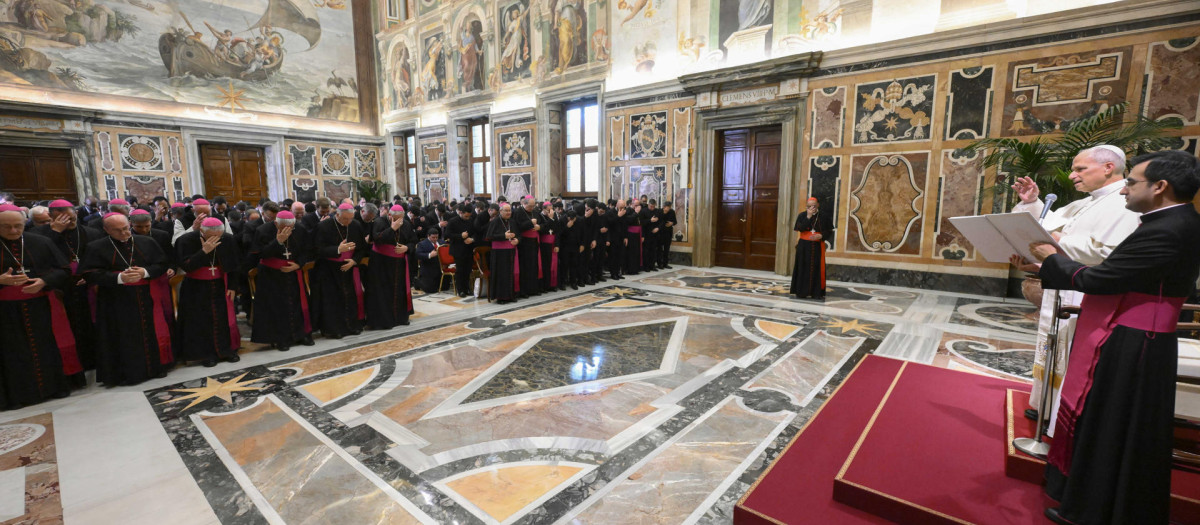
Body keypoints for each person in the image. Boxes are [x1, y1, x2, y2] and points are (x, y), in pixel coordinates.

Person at [1028, 150, 1200, 525]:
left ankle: (1096, 511)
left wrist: (1049, 260)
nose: (1124, 191)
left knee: (1113, 426)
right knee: (1110, 423)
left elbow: (1102, 278)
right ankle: (1093, 503)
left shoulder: (1168, 228)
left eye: (1132, 182)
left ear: (1160, 187)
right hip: (1136, 335)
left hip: (1136, 341)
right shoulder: (1172, 221)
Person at [1009, 145, 1140, 423]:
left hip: (1088, 294)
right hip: (1066, 286)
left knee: (1073, 356)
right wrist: (1033, 202)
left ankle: (1063, 414)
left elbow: (1110, 253)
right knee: (1055, 348)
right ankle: (1047, 405)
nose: (1072, 176)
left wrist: (1056, 243)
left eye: (1080, 169)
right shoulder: (1087, 201)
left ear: (1108, 168)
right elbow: (1046, 227)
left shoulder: (1124, 203)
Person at [0, 204, 81, 409]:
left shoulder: (40, 242)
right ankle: (17, 396)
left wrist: (43, 282)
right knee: (12, 352)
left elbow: (63, 270)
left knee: (45, 346)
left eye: (18, 226)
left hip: (38, 305)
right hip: (5, 312)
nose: (13, 231)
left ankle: (52, 388)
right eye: (6, 227)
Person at [80, 213, 172, 386]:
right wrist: (120, 278)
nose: (124, 233)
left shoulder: (146, 242)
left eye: (125, 228)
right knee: (121, 336)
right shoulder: (95, 247)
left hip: (145, 296)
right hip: (114, 300)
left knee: (149, 331)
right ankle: (125, 374)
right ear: (106, 230)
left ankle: (154, 368)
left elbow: (161, 264)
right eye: (118, 230)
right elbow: (89, 274)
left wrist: (144, 273)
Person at [31, 200, 100, 374]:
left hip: (88, 287)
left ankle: (93, 360)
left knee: (91, 324)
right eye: (64, 219)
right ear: (52, 217)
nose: (70, 222)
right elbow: (40, 261)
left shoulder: (91, 233)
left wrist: (89, 276)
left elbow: (98, 258)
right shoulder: (39, 235)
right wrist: (55, 232)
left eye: (72, 217)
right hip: (60, 289)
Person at [175, 218, 241, 367]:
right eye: (211, 236)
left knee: (223, 317)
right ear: (202, 231)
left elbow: (235, 264)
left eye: (219, 236)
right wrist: (204, 251)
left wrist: (232, 286)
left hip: (220, 285)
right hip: (196, 287)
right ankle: (206, 354)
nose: (216, 239)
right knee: (200, 320)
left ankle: (225, 350)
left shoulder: (228, 239)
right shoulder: (186, 240)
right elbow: (186, 266)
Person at [251, 211, 314, 352]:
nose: (289, 230)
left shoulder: (300, 229)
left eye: (291, 227)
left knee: (297, 304)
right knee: (276, 307)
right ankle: (280, 338)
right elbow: (260, 254)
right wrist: (278, 242)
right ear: (276, 223)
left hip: (294, 273)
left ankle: (301, 334)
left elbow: (307, 250)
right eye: (285, 226)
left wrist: (298, 264)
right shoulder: (263, 230)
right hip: (271, 276)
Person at [310, 203, 366, 339]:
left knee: (350, 297)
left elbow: (362, 248)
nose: (348, 222)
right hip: (329, 270)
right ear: (337, 215)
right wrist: (337, 250)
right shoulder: (323, 226)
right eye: (345, 219)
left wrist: (354, 261)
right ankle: (335, 329)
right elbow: (316, 250)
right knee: (333, 300)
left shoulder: (356, 225)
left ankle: (352, 326)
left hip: (349, 268)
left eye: (351, 218)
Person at [366, 205, 416, 329]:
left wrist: (407, 248)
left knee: (399, 290)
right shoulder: (379, 221)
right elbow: (376, 239)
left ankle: (400, 318)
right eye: (396, 219)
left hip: (399, 264)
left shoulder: (406, 224)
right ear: (389, 215)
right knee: (382, 291)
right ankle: (384, 321)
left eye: (401, 219)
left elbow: (413, 240)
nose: (400, 222)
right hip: (381, 263)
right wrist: (392, 228)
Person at [791, 197, 833, 299]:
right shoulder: (802, 215)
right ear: (807, 206)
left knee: (817, 268)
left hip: (817, 246)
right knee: (802, 267)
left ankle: (816, 292)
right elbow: (799, 228)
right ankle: (801, 292)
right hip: (804, 247)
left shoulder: (824, 216)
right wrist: (808, 217)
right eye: (809, 206)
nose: (812, 208)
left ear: (818, 205)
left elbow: (829, 230)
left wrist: (821, 236)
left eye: (814, 206)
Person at [486, 204, 520, 303]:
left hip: (510, 252)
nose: (509, 212)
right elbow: (489, 236)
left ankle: (510, 295)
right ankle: (501, 297)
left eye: (510, 210)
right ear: (500, 211)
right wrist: (503, 236)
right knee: (501, 274)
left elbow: (519, 235)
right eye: (506, 211)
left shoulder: (512, 222)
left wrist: (517, 240)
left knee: (510, 274)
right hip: (499, 253)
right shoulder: (495, 222)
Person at [443, 204, 478, 297]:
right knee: (460, 270)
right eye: (466, 216)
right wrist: (460, 236)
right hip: (458, 249)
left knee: (468, 270)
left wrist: (472, 239)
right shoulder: (453, 221)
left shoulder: (471, 220)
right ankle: (460, 290)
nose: (467, 218)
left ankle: (467, 288)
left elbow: (475, 233)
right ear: (461, 213)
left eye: (469, 216)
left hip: (468, 249)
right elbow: (447, 234)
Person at [511, 197, 542, 297]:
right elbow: (517, 227)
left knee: (534, 265)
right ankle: (524, 291)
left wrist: (539, 227)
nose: (532, 208)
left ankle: (534, 289)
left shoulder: (535, 211)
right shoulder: (518, 212)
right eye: (530, 206)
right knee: (524, 267)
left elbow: (542, 223)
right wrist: (530, 223)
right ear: (524, 203)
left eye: (533, 206)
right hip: (524, 244)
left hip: (534, 242)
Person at [539, 202, 562, 291]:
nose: (551, 211)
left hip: (552, 244)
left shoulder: (554, 217)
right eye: (549, 210)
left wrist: (557, 244)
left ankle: (552, 285)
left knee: (553, 265)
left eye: (551, 209)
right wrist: (550, 218)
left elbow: (557, 231)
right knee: (545, 265)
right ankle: (545, 286)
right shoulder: (540, 216)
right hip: (543, 245)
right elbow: (543, 229)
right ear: (544, 209)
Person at [415, 228, 443, 294]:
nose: (435, 239)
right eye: (433, 237)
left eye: (436, 237)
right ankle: (417, 281)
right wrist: (429, 255)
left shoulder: (442, 242)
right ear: (428, 236)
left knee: (444, 287)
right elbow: (418, 255)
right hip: (428, 267)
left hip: (440, 267)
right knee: (430, 290)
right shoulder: (422, 244)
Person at [658, 201, 676, 269]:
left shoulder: (672, 212)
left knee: (667, 249)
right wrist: (664, 213)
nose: (669, 209)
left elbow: (675, 221)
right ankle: (660, 264)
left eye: (670, 207)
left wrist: (672, 223)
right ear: (664, 206)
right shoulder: (659, 211)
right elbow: (659, 221)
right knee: (659, 249)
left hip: (668, 233)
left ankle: (665, 263)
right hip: (660, 233)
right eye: (668, 207)